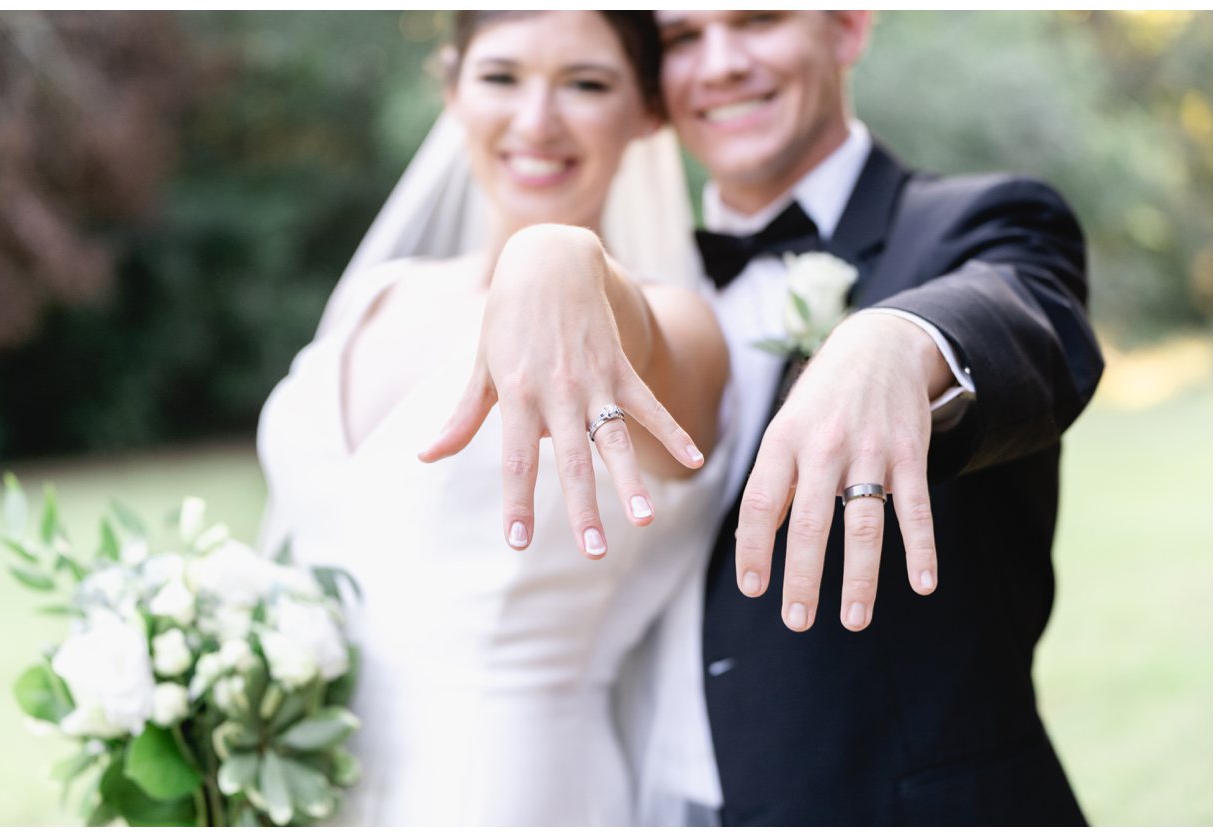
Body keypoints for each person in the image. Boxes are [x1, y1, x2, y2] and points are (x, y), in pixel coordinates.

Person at [424, 11, 1100, 824]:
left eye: (758, 20)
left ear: (847, 28)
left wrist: (902, 338)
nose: (721, 65)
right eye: (682, 40)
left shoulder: (976, 222)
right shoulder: (637, 294)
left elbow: (1034, 323)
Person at [257, 11, 733, 825]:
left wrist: (562, 255)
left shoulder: (675, 322)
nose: (537, 120)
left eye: (586, 84)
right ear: (451, 89)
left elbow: (659, 365)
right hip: (301, 781)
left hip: (503, 787)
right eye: (501, 77)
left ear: (648, 114)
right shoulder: (382, 292)